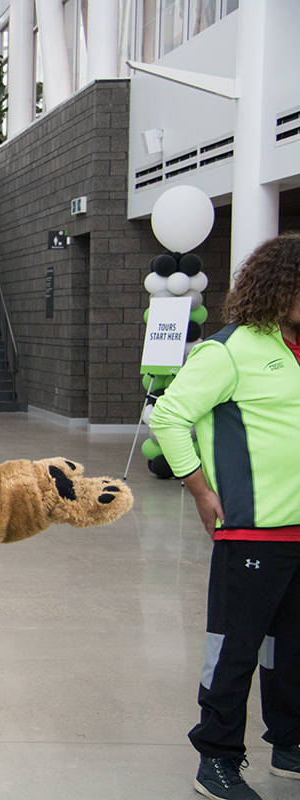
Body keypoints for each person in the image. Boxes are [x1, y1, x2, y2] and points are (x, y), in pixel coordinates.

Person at [150, 232, 300, 800]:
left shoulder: (297, 348)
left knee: (291, 650)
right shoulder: (228, 350)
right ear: (278, 285)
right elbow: (169, 417)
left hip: (299, 530)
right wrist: (198, 489)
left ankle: (289, 745)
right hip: (252, 531)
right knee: (234, 650)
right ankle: (216, 760)